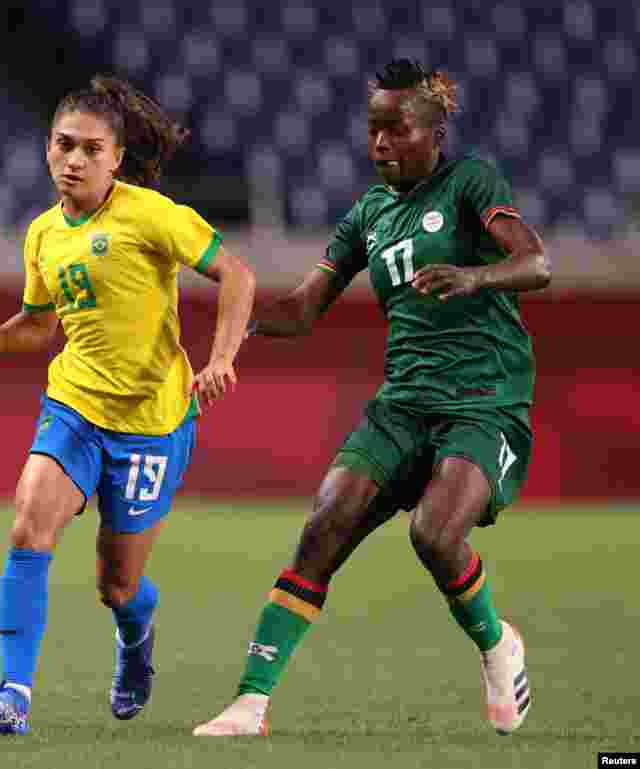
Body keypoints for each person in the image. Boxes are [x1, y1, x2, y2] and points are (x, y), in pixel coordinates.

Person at [193, 59, 551, 737]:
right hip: (403, 402)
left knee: (434, 534)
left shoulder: (471, 182)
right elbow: (304, 308)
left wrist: (474, 277)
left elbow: (537, 263)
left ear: (435, 134)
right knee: (323, 526)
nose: (380, 142)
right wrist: (237, 326)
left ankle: (497, 643)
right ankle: (250, 702)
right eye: (372, 129)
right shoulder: (368, 213)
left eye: (396, 128)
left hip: (485, 398)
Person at [0, 75, 255, 735]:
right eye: (63, 145)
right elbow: (37, 326)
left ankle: (136, 638)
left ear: (116, 158)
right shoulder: (42, 234)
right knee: (28, 527)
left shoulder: (151, 215)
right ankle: (14, 694)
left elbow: (238, 274)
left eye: (90, 149)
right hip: (75, 407)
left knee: (118, 586)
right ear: (47, 148)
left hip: (152, 424)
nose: (74, 160)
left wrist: (222, 357)